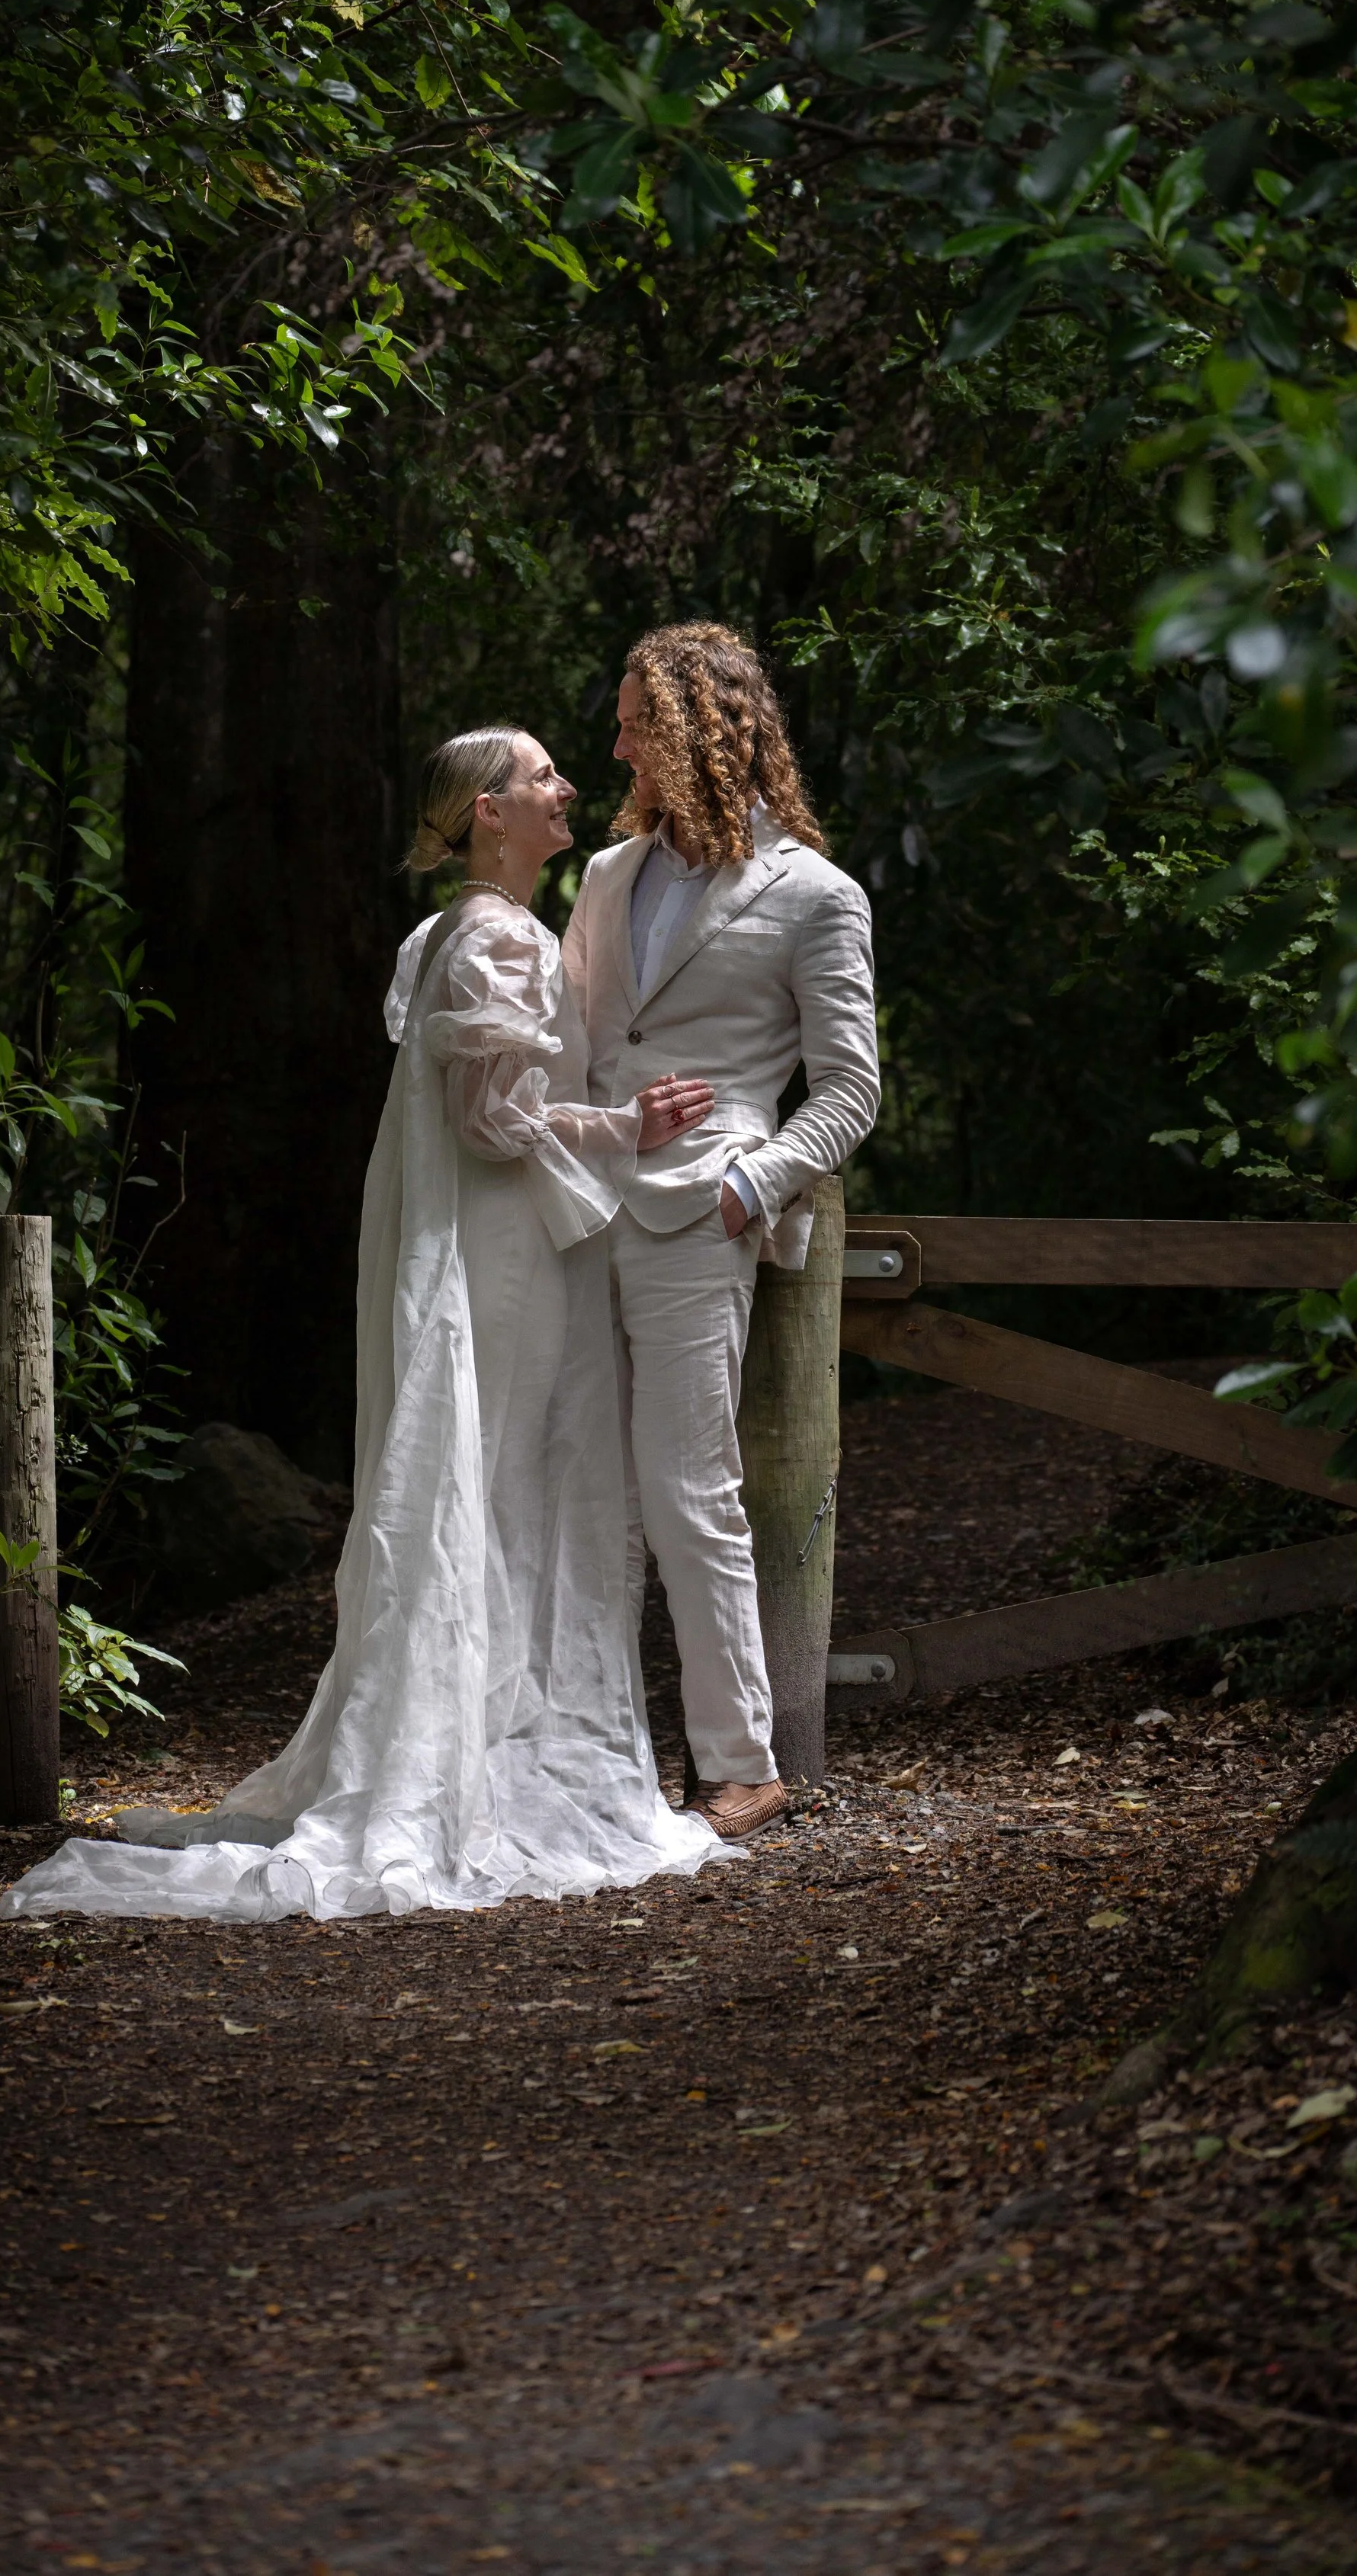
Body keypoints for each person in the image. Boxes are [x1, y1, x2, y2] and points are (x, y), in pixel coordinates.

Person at [0, 726, 727, 1924]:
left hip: (501, 1247)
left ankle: (483, 1745)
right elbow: (495, 1120)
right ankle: (459, 1766)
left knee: (487, 1483)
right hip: (499, 1256)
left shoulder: (479, 930)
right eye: (543, 776)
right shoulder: (490, 933)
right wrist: (625, 1127)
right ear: (489, 812)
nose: (566, 788)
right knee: (489, 1479)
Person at [563, 621, 881, 1840]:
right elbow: (581, 1042)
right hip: (580, 1204)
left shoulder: (814, 893)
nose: (618, 742)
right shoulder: (603, 874)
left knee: (690, 1483)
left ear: (695, 727)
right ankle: (589, 1754)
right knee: (580, 1481)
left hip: (704, 1212)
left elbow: (850, 1087)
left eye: (636, 719)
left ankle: (742, 1762)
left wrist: (754, 1184)